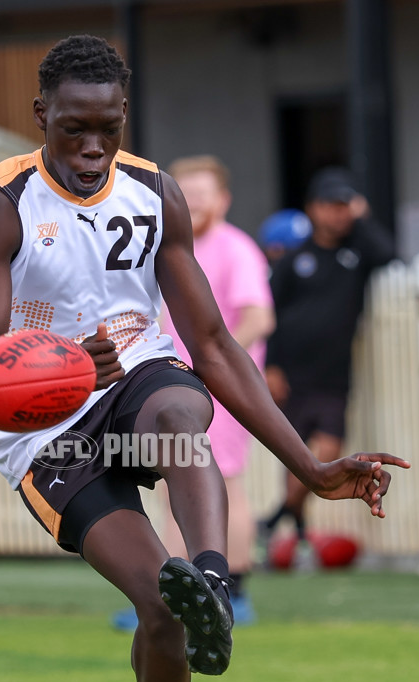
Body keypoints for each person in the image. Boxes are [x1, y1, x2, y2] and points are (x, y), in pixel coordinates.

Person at [0, 36, 408, 682]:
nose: (92, 147)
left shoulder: (155, 191)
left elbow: (211, 342)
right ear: (41, 116)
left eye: (108, 128)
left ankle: (212, 577)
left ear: (124, 120)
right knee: (157, 614)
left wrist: (309, 470)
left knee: (175, 403)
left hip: (137, 391)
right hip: (50, 431)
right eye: (74, 129)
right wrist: (62, 363)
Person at [160, 155, 275, 624]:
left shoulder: (236, 248)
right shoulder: (167, 248)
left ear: (223, 201)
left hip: (220, 390)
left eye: (204, 195)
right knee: (173, 483)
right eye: (185, 195)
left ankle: (236, 591)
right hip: (173, 386)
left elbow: (258, 318)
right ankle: (174, 598)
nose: (195, 203)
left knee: (223, 481)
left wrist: (212, 366)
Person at [261, 168, 397, 563]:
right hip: (293, 376)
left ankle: (272, 521)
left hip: (334, 378)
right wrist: (272, 367)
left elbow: (388, 255)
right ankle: (297, 532)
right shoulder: (295, 258)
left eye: (345, 207)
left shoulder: (357, 253)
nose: (338, 215)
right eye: (331, 206)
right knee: (299, 459)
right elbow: (272, 315)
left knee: (328, 453)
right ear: (313, 209)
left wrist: (364, 215)